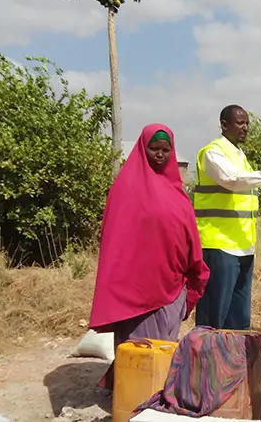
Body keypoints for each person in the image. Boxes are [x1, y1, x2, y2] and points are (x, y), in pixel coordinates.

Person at [89, 123, 210, 388]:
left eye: (165, 150)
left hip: (170, 282)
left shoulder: (176, 190)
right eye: (154, 148)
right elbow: (115, 239)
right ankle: (131, 390)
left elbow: (187, 231)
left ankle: (152, 390)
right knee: (138, 345)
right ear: (143, 149)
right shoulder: (125, 188)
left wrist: (193, 268)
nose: (159, 154)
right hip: (134, 288)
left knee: (163, 346)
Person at [194, 105, 261, 330]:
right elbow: (233, 180)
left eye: (246, 123)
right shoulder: (212, 153)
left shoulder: (239, 155)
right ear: (224, 124)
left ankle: (234, 363)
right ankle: (206, 362)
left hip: (244, 247)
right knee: (214, 317)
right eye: (239, 123)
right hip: (219, 245)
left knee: (239, 319)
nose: (245, 128)